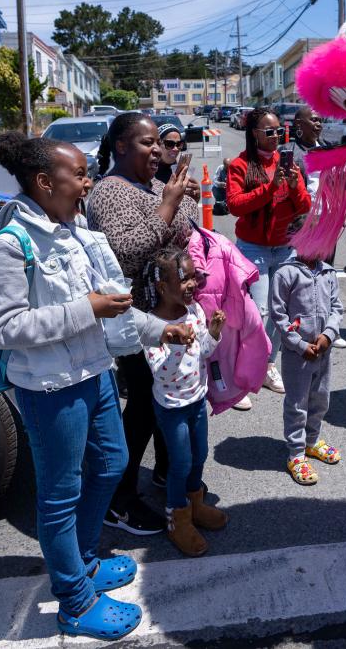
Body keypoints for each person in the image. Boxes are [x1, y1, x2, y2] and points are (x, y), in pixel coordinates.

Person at [0, 132, 191, 640]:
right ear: (43, 181)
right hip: (50, 387)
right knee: (59, 494)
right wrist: (86, 310)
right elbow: (0, 328)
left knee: (114, 463)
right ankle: (74, 598)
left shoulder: (77, 233)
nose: (87, 183)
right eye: (79, 175)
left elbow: (115, 306)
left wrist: (158, 328)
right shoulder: (12, 246)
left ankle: (84, 557)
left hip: (94, 373)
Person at [87, 112, 200, 536]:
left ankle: (164, 473)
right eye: (146, 143)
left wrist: (180, 195)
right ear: (120, 146)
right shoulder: (109, 192)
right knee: (141, 409)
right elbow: (125, 254)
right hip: (133, 319)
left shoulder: (153, 185)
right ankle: (119, 498)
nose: (157, 150)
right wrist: (168, 204)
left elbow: (185, 230)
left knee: (163, 400)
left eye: (159, 143)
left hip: (167, 313)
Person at [142, 246, 228, 556]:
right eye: (184, 279)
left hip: (197, 400)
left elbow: (203, 351)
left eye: (194, 277)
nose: (192, 284)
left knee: (200, 453)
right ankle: (177, 516)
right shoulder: (152, 327)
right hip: (172, 408)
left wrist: (213, 334)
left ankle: (195, 503)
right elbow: (161, 374)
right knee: (179, 462)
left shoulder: (195, 313)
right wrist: (176, 343)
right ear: (163, 287)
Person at [225, 108, 311, 394]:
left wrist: (294, 184)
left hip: (285, 247)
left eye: (278, 131)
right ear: (254, 134)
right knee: (258, 312)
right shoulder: (240, 165)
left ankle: (267, 365)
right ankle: (247, 366)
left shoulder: (288, 163)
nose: (275, 137)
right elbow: (235, 205)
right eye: (269, 131)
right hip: (253, 248)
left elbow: (304, 207)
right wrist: (270, 188)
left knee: (279, 311)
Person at [269, 251, 343, 485]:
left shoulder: (328, 272)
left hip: (323, 350)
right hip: (297, 354)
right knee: (297, 403)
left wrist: (328, 335)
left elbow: (336, 308)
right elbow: (278, 315)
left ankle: (311, 440)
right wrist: (299, 344)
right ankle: (296, 453)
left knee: (320, 398)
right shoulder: (285, 273)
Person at [290, 105, 346, 347]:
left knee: (326, 275)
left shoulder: (327, 150)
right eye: (313, 120)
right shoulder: (289, 153)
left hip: (326, 222)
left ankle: (328, 329)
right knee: (300, 277)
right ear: (299, 125)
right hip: (302, 223)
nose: (319, 124)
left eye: (320, 120)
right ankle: (296, 329)